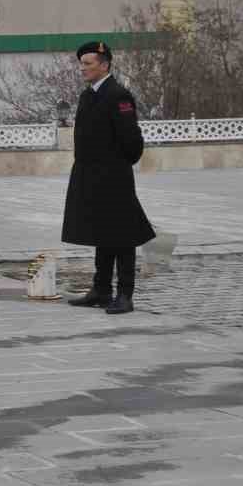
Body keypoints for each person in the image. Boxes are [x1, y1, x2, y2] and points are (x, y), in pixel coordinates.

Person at [61, 40, 156, 314]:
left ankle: (125, 294)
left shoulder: (118, 95)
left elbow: (132, 142)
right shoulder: (88, 95)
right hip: (89, 176)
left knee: (123, 236)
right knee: (101, 233)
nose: (83, 68)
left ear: (105, 65)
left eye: (88, 64)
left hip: (114, 177)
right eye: (81, 64)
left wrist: (115, 166)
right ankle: (101, 290)